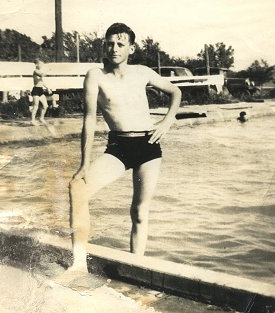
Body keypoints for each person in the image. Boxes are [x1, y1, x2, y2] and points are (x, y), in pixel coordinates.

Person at [68, 23, 182, 274]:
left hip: (148, 146)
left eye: (120, 44)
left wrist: (166, 121)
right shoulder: (95, 75)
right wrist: (84, 163)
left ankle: (137, 268)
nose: (114, 48)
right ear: (104, 46)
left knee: (139, 212)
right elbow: (89, 119)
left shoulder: (142, 72)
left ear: (131, 48)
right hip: (118, 146)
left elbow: (175, 91)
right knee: (78, 190)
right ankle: (78, 265)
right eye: (110, 43)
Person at [30, 59, 51, 125]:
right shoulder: (35, 71)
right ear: (36, 64)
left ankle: (41, 118)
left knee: (45, 106)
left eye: (42, 64)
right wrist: (48, 70)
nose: (42, 65)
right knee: (36, 106)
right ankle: (32, 120)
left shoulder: (39, 71)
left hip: (40, 90)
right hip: (36, 90)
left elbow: (41, 81)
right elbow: (42, 75)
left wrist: (48, 88)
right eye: (40, 64)